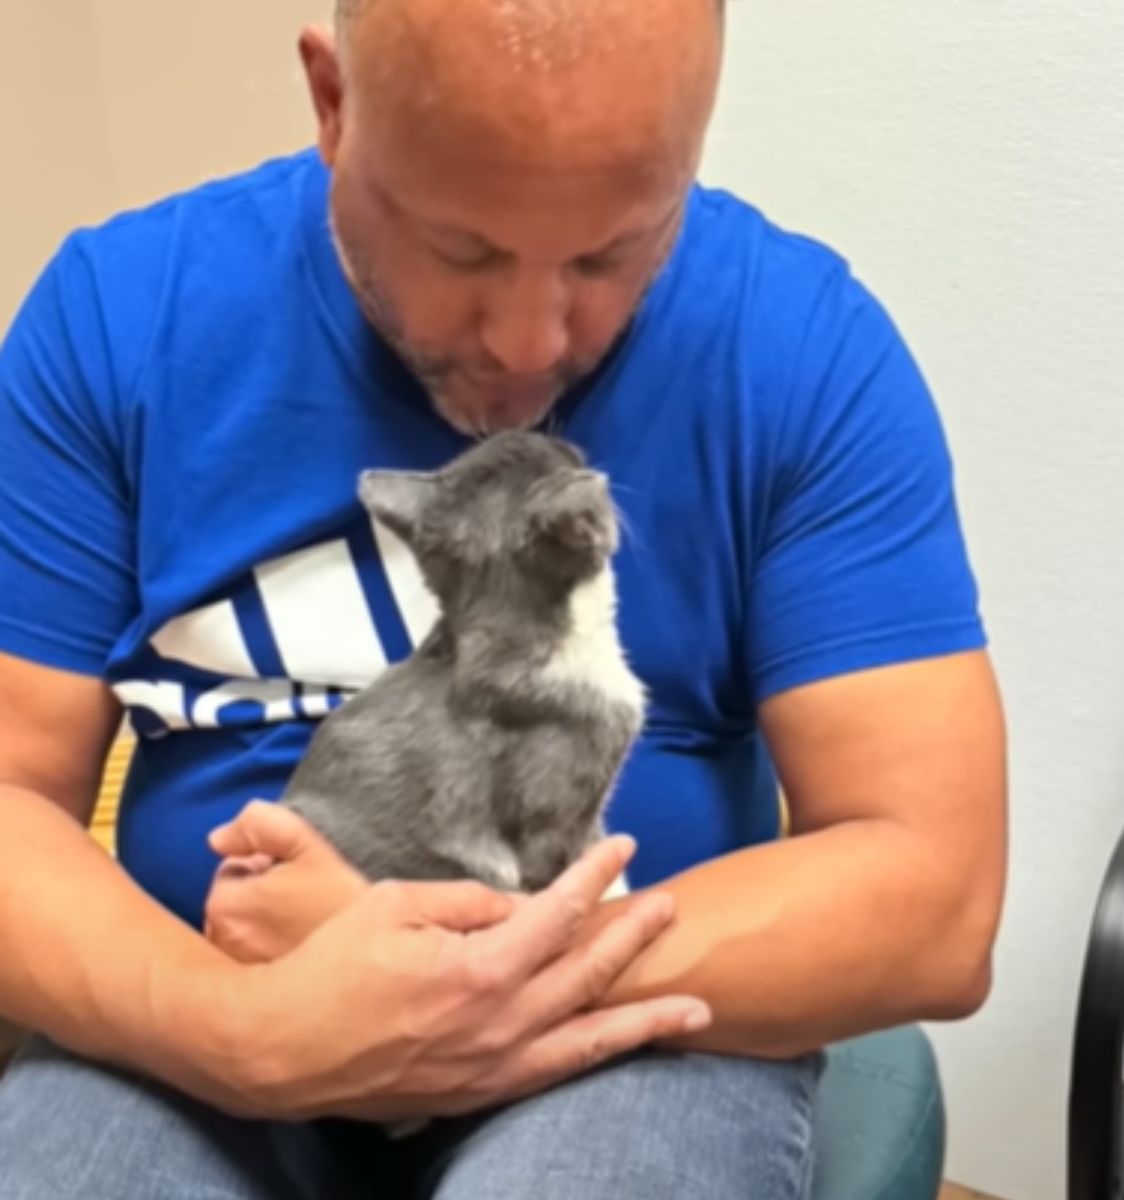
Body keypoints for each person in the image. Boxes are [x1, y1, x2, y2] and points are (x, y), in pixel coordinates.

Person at [0, 0, 1007, 1195]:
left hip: (634, 1044)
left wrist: (459, 981)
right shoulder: (121, 317)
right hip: (196, 1005)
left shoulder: (803, 352)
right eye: (463, 251)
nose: (531, 345)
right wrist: (239, 1031)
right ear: (332, 104)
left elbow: (936, 900)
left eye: (612, 252)